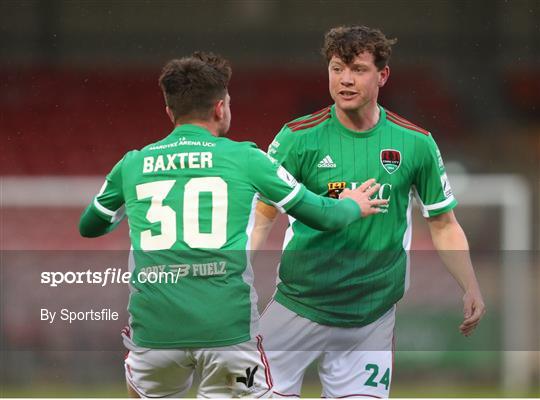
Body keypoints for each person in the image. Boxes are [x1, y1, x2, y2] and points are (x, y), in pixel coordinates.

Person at [78, 51, 387, 398]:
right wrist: (350, 205)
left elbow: (90, 226)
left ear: (170, 112)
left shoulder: (132, 164)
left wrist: (119, 210)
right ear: (220, 107)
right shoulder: (247, 158)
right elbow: (323, 216)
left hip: (153, 337)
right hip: (227, 333)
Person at [255, 26, 486, 398]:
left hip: (370, 319)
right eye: (336, 68)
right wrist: (238, 271)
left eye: (358, 69)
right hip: (298, 305)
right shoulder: (296, 138)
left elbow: (443, 223)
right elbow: (262, 213)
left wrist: (470, 284)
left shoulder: (416, 144)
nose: (345, 80)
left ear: (382, 75)